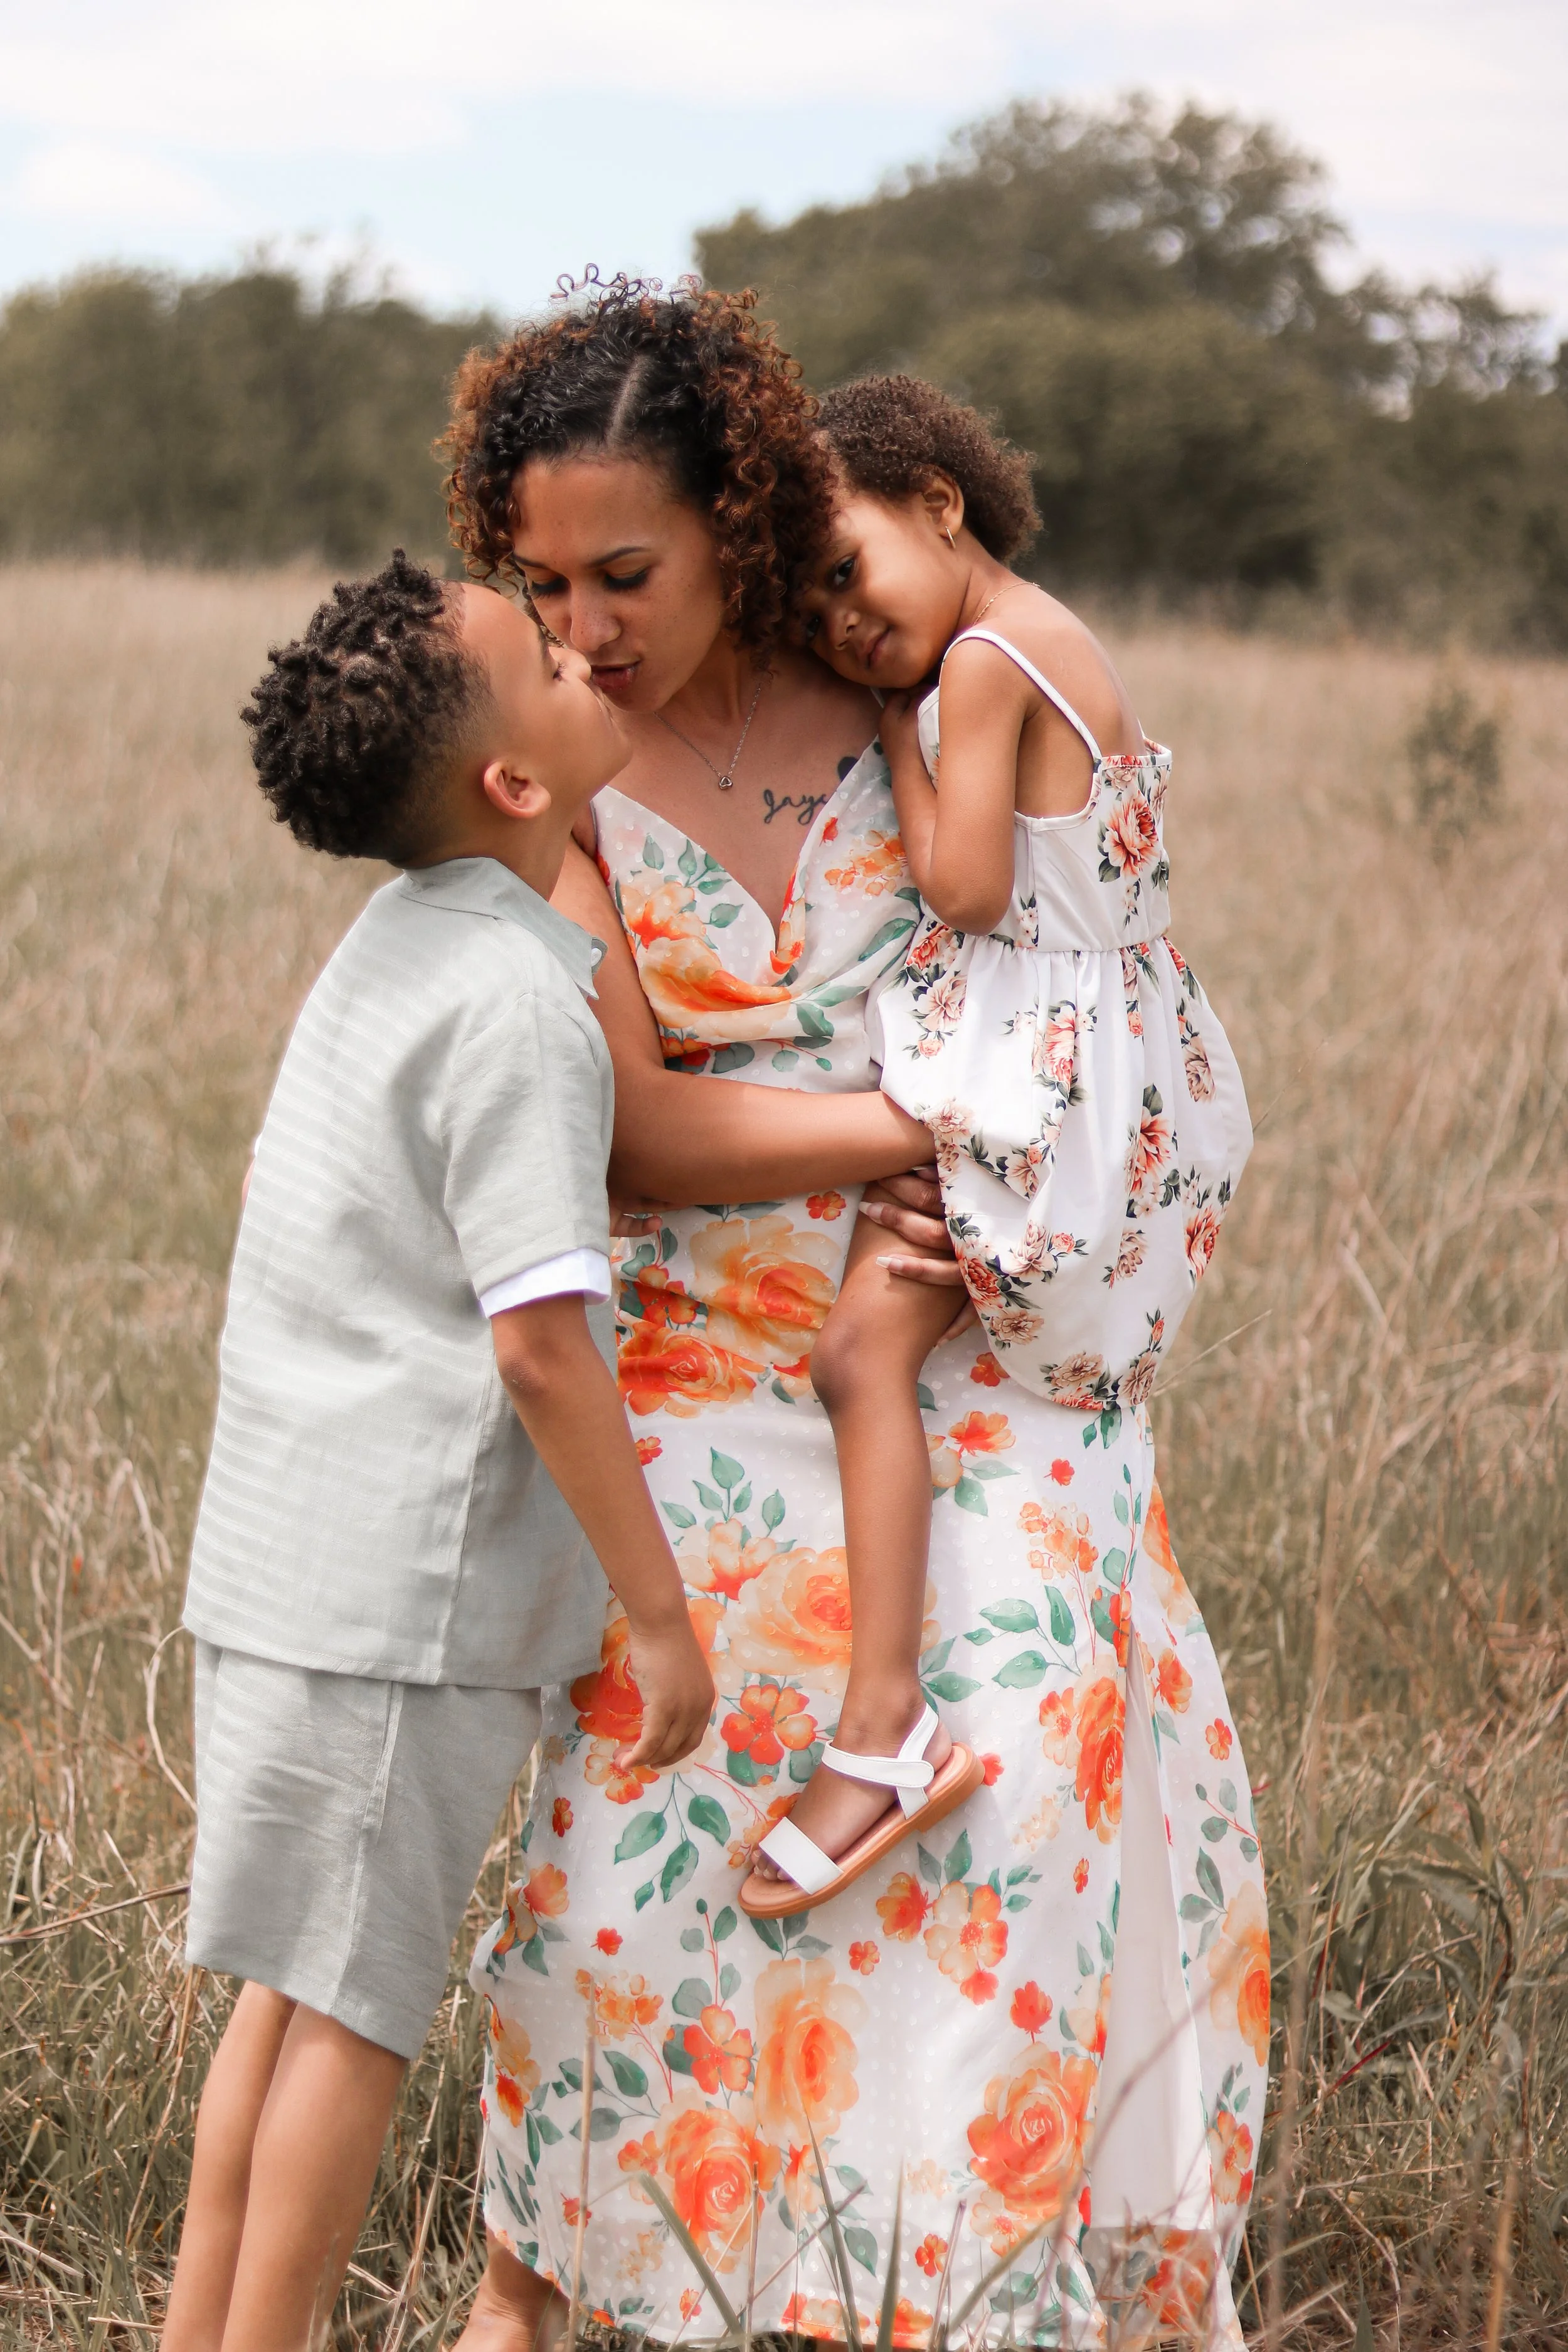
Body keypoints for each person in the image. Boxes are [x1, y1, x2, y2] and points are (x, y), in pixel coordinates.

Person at [443, 282, 1270, 2352]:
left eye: (625, 571)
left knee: (1023, 1745)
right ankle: (583, 2284)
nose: (585, 623)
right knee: (654, 1836)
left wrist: (1054, 1165)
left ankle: (946, 2293)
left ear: (744, 514)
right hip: (701, 1369)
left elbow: (1092, 938)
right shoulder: (552, 770)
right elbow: (629, 1125)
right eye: (540, 580)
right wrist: (911, 1117)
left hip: (963, 1355)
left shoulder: (903, 667)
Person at [161, 553, 714, 2352]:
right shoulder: (514, 1006)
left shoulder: (403, 945)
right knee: (357, 2020)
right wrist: (657, 1614)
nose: (585, 649)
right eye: (548, 653)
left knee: (287, 1998)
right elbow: (542, 1339)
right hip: (398, 1603)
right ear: (519, 785)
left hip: (286, 1564)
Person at [741, 377, 1253, 1917]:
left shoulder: (971, 665)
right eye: (810, 615)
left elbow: (963, 888)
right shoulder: (1058, 631)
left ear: (938, 503)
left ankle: (883, 1719)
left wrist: (888, 741)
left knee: (854, 1360)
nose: (841, 626)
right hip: (1126, 1053)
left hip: (1040, 1082)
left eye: (843, 572)